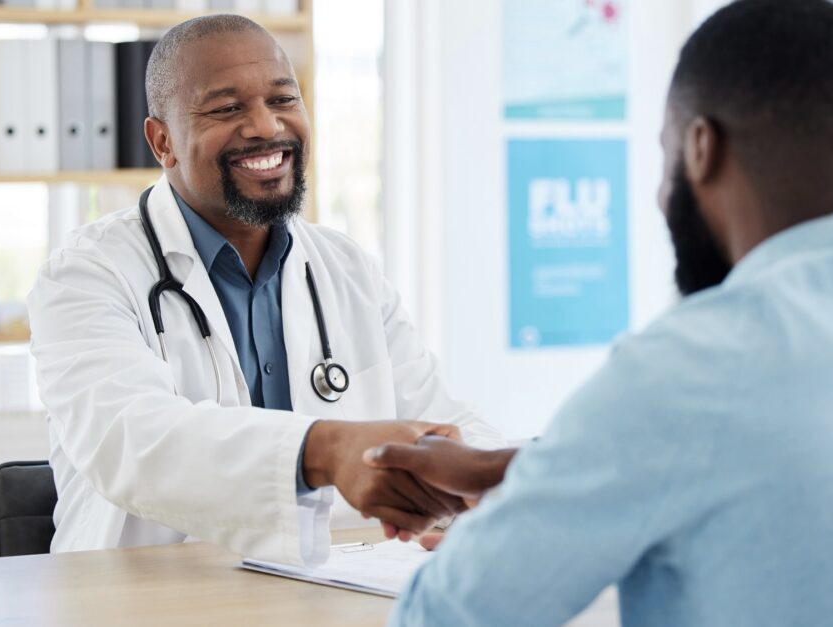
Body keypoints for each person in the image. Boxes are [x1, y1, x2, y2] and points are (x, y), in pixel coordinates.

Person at [370, 1, 833, 624]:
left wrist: (502, 523)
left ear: (700, 147)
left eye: (664, 154)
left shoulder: (689, 363)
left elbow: (452, 613)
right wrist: (523, 468)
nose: (656, 195)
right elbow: (828, 436)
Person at [26, 15, 502, 567]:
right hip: (142, 598)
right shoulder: (86, 274)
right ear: (163, 142)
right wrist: (323, 449)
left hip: (330, 585)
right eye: (227, 109)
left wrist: (493, 497)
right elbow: (134, 442)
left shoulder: (347, 268)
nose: (265, 127)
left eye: (283, 99)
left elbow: (440, 417)